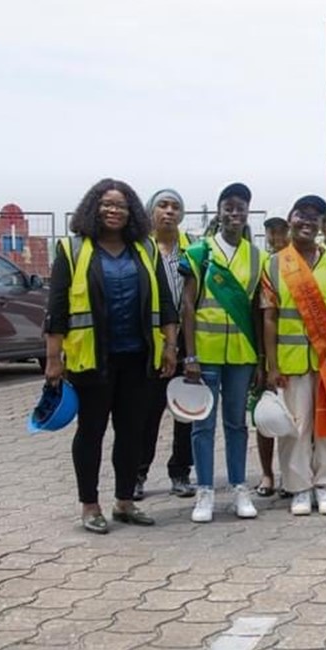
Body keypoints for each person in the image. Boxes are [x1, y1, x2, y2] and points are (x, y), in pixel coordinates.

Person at [45, 179, 179, 534]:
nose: (113, 210)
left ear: (131, 211)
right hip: (92, 360)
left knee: (132, 431)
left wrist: (169, 345)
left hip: (138, 357)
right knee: (91, 432)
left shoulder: (146, 249)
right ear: (93, 208)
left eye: (120, 205)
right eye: (106, 204)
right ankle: (90, 505)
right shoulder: (72, 249)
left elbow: (165, 302)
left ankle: (124, 501)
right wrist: (54, 357)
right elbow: (57, 306)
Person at [261, 195, 326, 516]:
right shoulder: (274, 263)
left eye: (315, 216)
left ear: (321, 224)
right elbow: (269, 316)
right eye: (302, 214)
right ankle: (299, 487)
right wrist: (271, 365)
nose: (308, 221)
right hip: (292, 359)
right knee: (296, 426)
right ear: (290, 218)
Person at [180, 183, 262, 522]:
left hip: (242, 354)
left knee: (237, 424)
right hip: (207, 353)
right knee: (203, 424)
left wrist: (261, 359)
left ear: (246, 214)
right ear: (219, 211)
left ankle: (240, 487)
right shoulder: (200, 253)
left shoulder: (257, 257)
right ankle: (205, 492)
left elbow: (257, 309)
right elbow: (187, 304)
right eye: (228, 206)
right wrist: (190, 355)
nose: (234, 212)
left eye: (240, 207)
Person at [135, 188, 195, 501]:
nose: (169, 212)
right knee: (148, 412)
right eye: (163, 205)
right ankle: (138, 472)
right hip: (151, 342)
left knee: (185, 410)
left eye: (175, 206)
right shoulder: (139, 250)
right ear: (150, 212)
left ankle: (181, 471)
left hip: (187, 341)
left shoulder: (194, 250)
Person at [254, 216, 289, 498]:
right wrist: (262, 360)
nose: (277, 235)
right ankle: (267, 474)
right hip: (262, 351)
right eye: (271, 229)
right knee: (264, 417)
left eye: (281, 229)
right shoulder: (261, 265)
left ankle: (293, 474)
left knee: (295, 418)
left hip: (293, 355)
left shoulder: (298, 264)